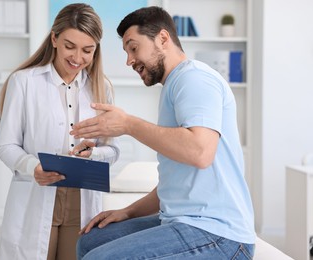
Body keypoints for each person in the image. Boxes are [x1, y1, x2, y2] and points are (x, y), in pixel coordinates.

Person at [72, 6, 256, 260]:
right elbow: (176, 185)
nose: (129, 60)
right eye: (126, 52)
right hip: (182, 221)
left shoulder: (194, 79)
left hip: (219, 235)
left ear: (162, 39)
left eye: (134, 48)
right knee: (90, 243)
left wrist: (128, 124)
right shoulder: (174, 85)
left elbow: (200, 152)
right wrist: (128, 211)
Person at [0, 3, 119, 260]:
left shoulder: (102, 87)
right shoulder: (25, 82)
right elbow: (6, 145)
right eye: (69, 46)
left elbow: (113, 150)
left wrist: (93, 154)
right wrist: (33, 167)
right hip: (36, 194)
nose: (77, 58)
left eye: (88, 50)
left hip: (81, 201)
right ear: (54, 38)